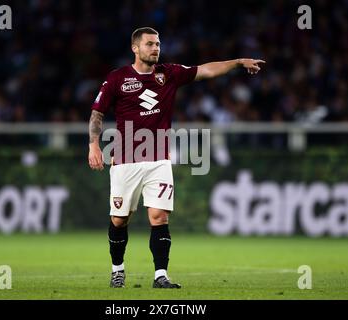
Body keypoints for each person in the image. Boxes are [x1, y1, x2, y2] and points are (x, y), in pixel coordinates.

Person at [88, 27, 264, 288]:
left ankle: (160, 276)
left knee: (159, 217)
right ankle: (118, 270)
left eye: (157, 43)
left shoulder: (168, 73)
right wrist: (94, 145)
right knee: (119, 219)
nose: (155, 48)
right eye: (149, 44)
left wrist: (237, 62)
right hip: (125, 159)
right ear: (135, 48)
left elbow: (205, 70)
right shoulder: (117, 78)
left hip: (159, 158)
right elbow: (97, 113)